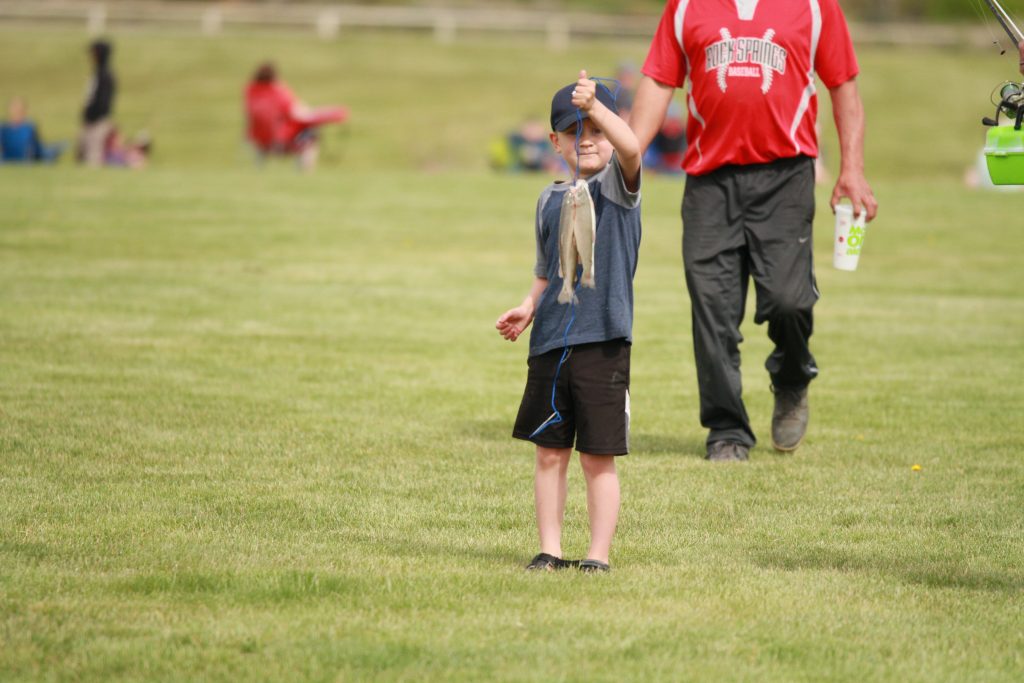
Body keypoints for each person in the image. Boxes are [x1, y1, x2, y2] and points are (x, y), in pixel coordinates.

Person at [630, 0, 878, 462]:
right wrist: (627, 157)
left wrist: (853, 170)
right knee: (713, 310)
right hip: (709, 181)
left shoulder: (815, 7)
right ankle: (727, 431)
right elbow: (660, 80)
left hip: (786, 177)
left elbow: (843, 86)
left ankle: (791, 377)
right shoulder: (685, 8)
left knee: (789, 300)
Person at [495, 70, 641, 572]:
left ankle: (597, 555)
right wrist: (528, 305)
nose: (588, 140)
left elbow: (633, 149)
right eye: (575, 131)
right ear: (555, 142)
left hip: (603, 342)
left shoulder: (619, 187)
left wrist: (598, 110)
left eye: (598, 130)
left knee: (597, 456)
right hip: (550, 342)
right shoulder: (548, 198)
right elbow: (546, 269)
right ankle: (550, 549)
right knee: (550, 452)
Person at [244, 62, 348, 172]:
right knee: (310, 135)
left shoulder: (251, 92)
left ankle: (258, 171)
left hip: (258, 140)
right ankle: (304, 173)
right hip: (281, 141)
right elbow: (298, 114)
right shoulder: (278, 92)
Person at [78, 39, 116, 167]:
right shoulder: (97, 73)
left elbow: (103, 102)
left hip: (98, 122)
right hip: (91, 121)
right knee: (82, 154)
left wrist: (92, 117)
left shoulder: (105, 75)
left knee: (93, 157)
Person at [0, 97, 64, 163]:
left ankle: (55, 148)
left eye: (20, 110)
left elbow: (35, 147)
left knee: (51, 151)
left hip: (34, 155)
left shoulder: (29, 127)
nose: (17, 112)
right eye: (15, 109)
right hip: (11, 157)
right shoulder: (3, 128)